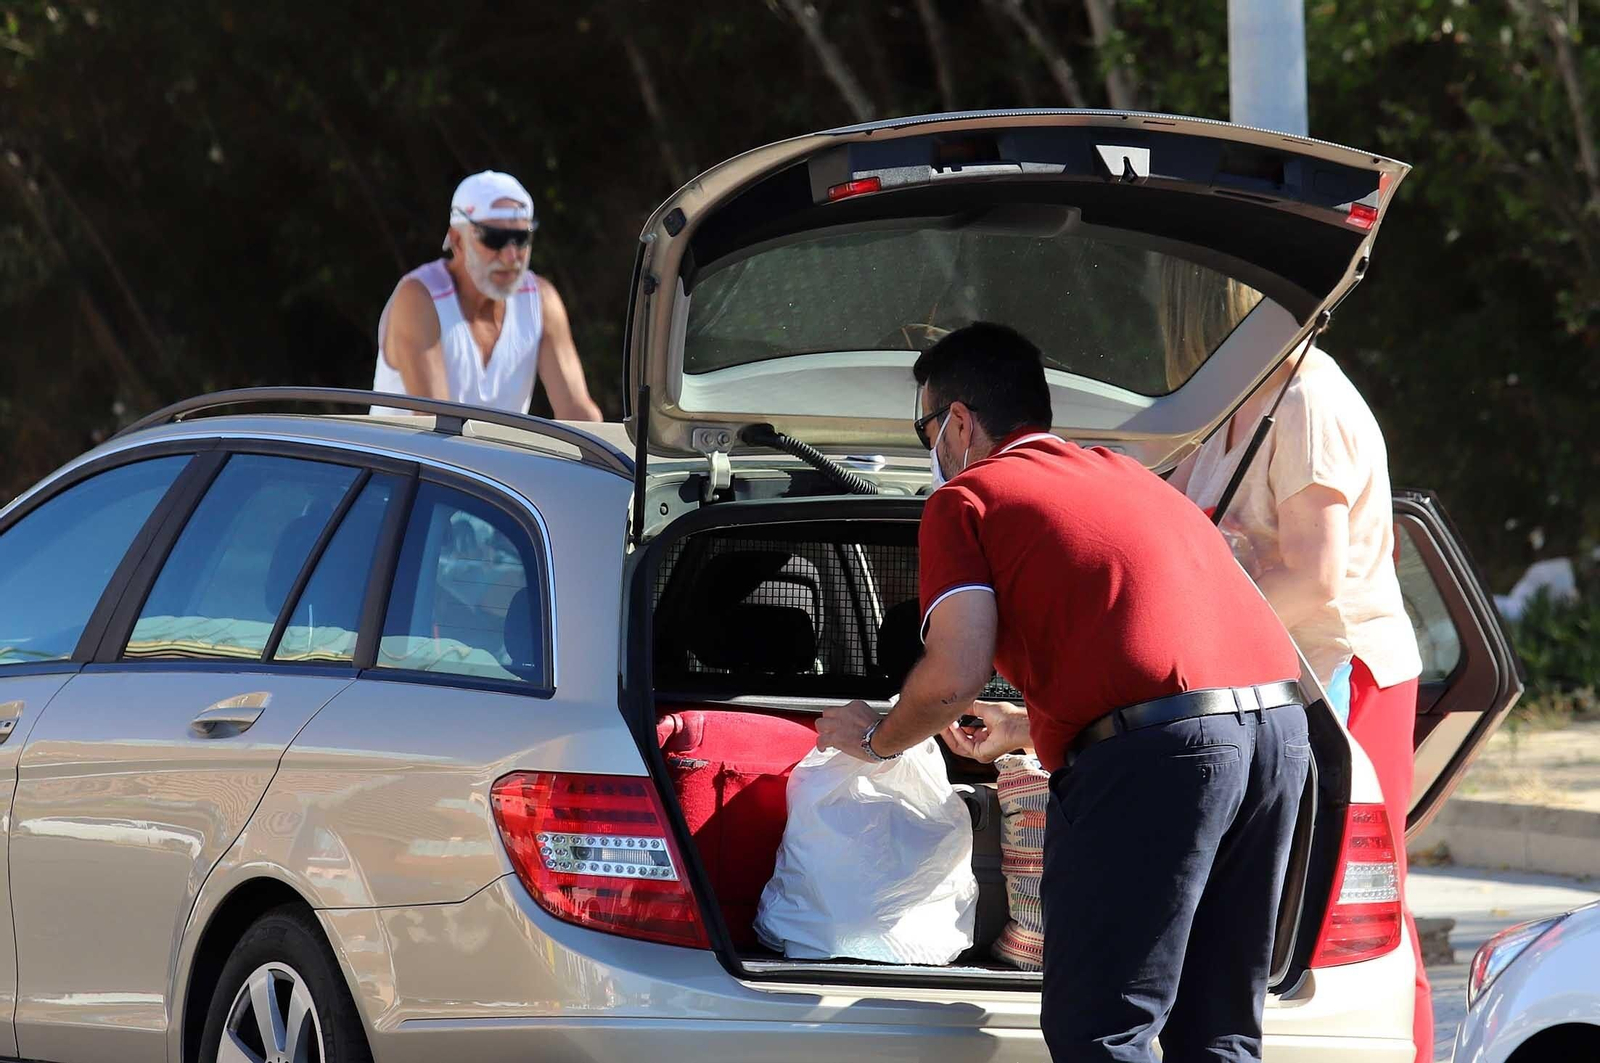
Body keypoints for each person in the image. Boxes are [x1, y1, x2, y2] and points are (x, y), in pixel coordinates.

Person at [815, 322, 1312, 1063]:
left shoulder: (968, 498)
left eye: (924, 426)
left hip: (1166, 756)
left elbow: (953, 674)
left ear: (957, 420)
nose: (931, 447)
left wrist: (875, 739)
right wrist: (1027, 723)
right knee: (1218, 1029)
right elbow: (1145, 629)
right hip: (1282, 729)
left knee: (1101, 1031)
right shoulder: (1128, 474)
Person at [1165, 267, 1430, 1062]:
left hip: (1346, 670)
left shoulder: (1308, 401)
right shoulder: (1223, 409)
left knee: (1362, 900)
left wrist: (1199, 629)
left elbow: (1318, 579)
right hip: (1276, 675)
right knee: (1281, 898)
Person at [372, 170, 602, 420]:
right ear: (457, 241)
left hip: (487, 460)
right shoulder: (419, 298)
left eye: (521, 238)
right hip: (407, 459)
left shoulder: (541, 300)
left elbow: (577, 411)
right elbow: (435, 424)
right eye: (495, 239)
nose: (511, 256)